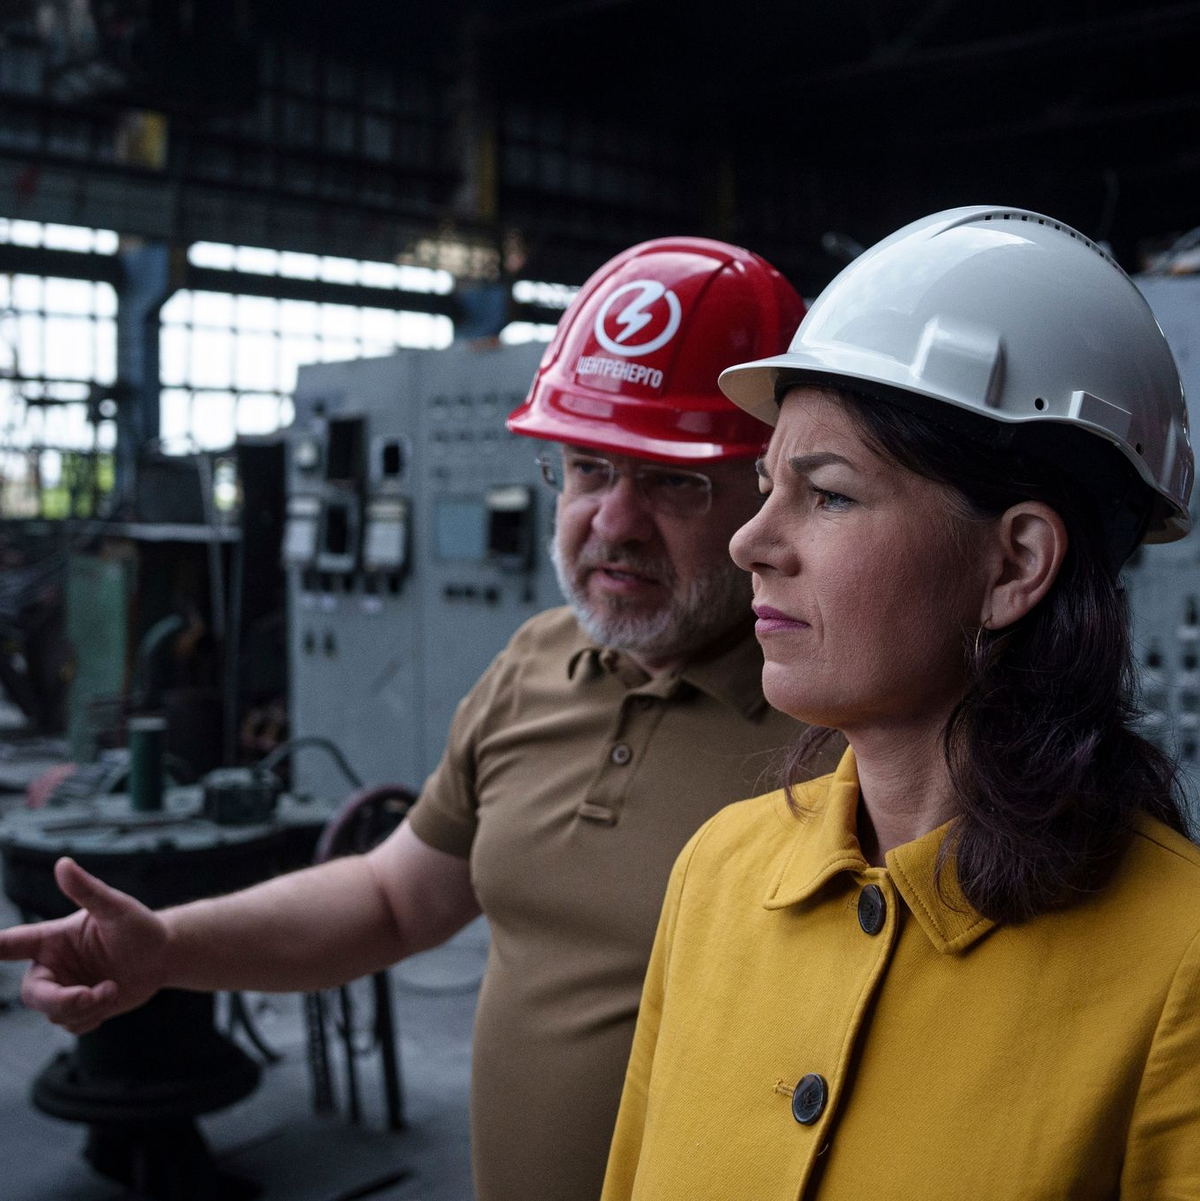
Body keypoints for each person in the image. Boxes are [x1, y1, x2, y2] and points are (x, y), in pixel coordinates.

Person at [0, 237, 815, 1201]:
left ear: (769, 494)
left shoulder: (832, 723)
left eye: (673, 480)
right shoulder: (534, 665)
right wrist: (168, 948)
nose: (615, 519)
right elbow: (396, 898)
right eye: (589, 468)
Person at [601, 208, 1200, 1200]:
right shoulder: (716, 875)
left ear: (1014, 562)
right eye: (764, 486)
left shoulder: (1175, 961)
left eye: (827, 494)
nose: (752, 541)